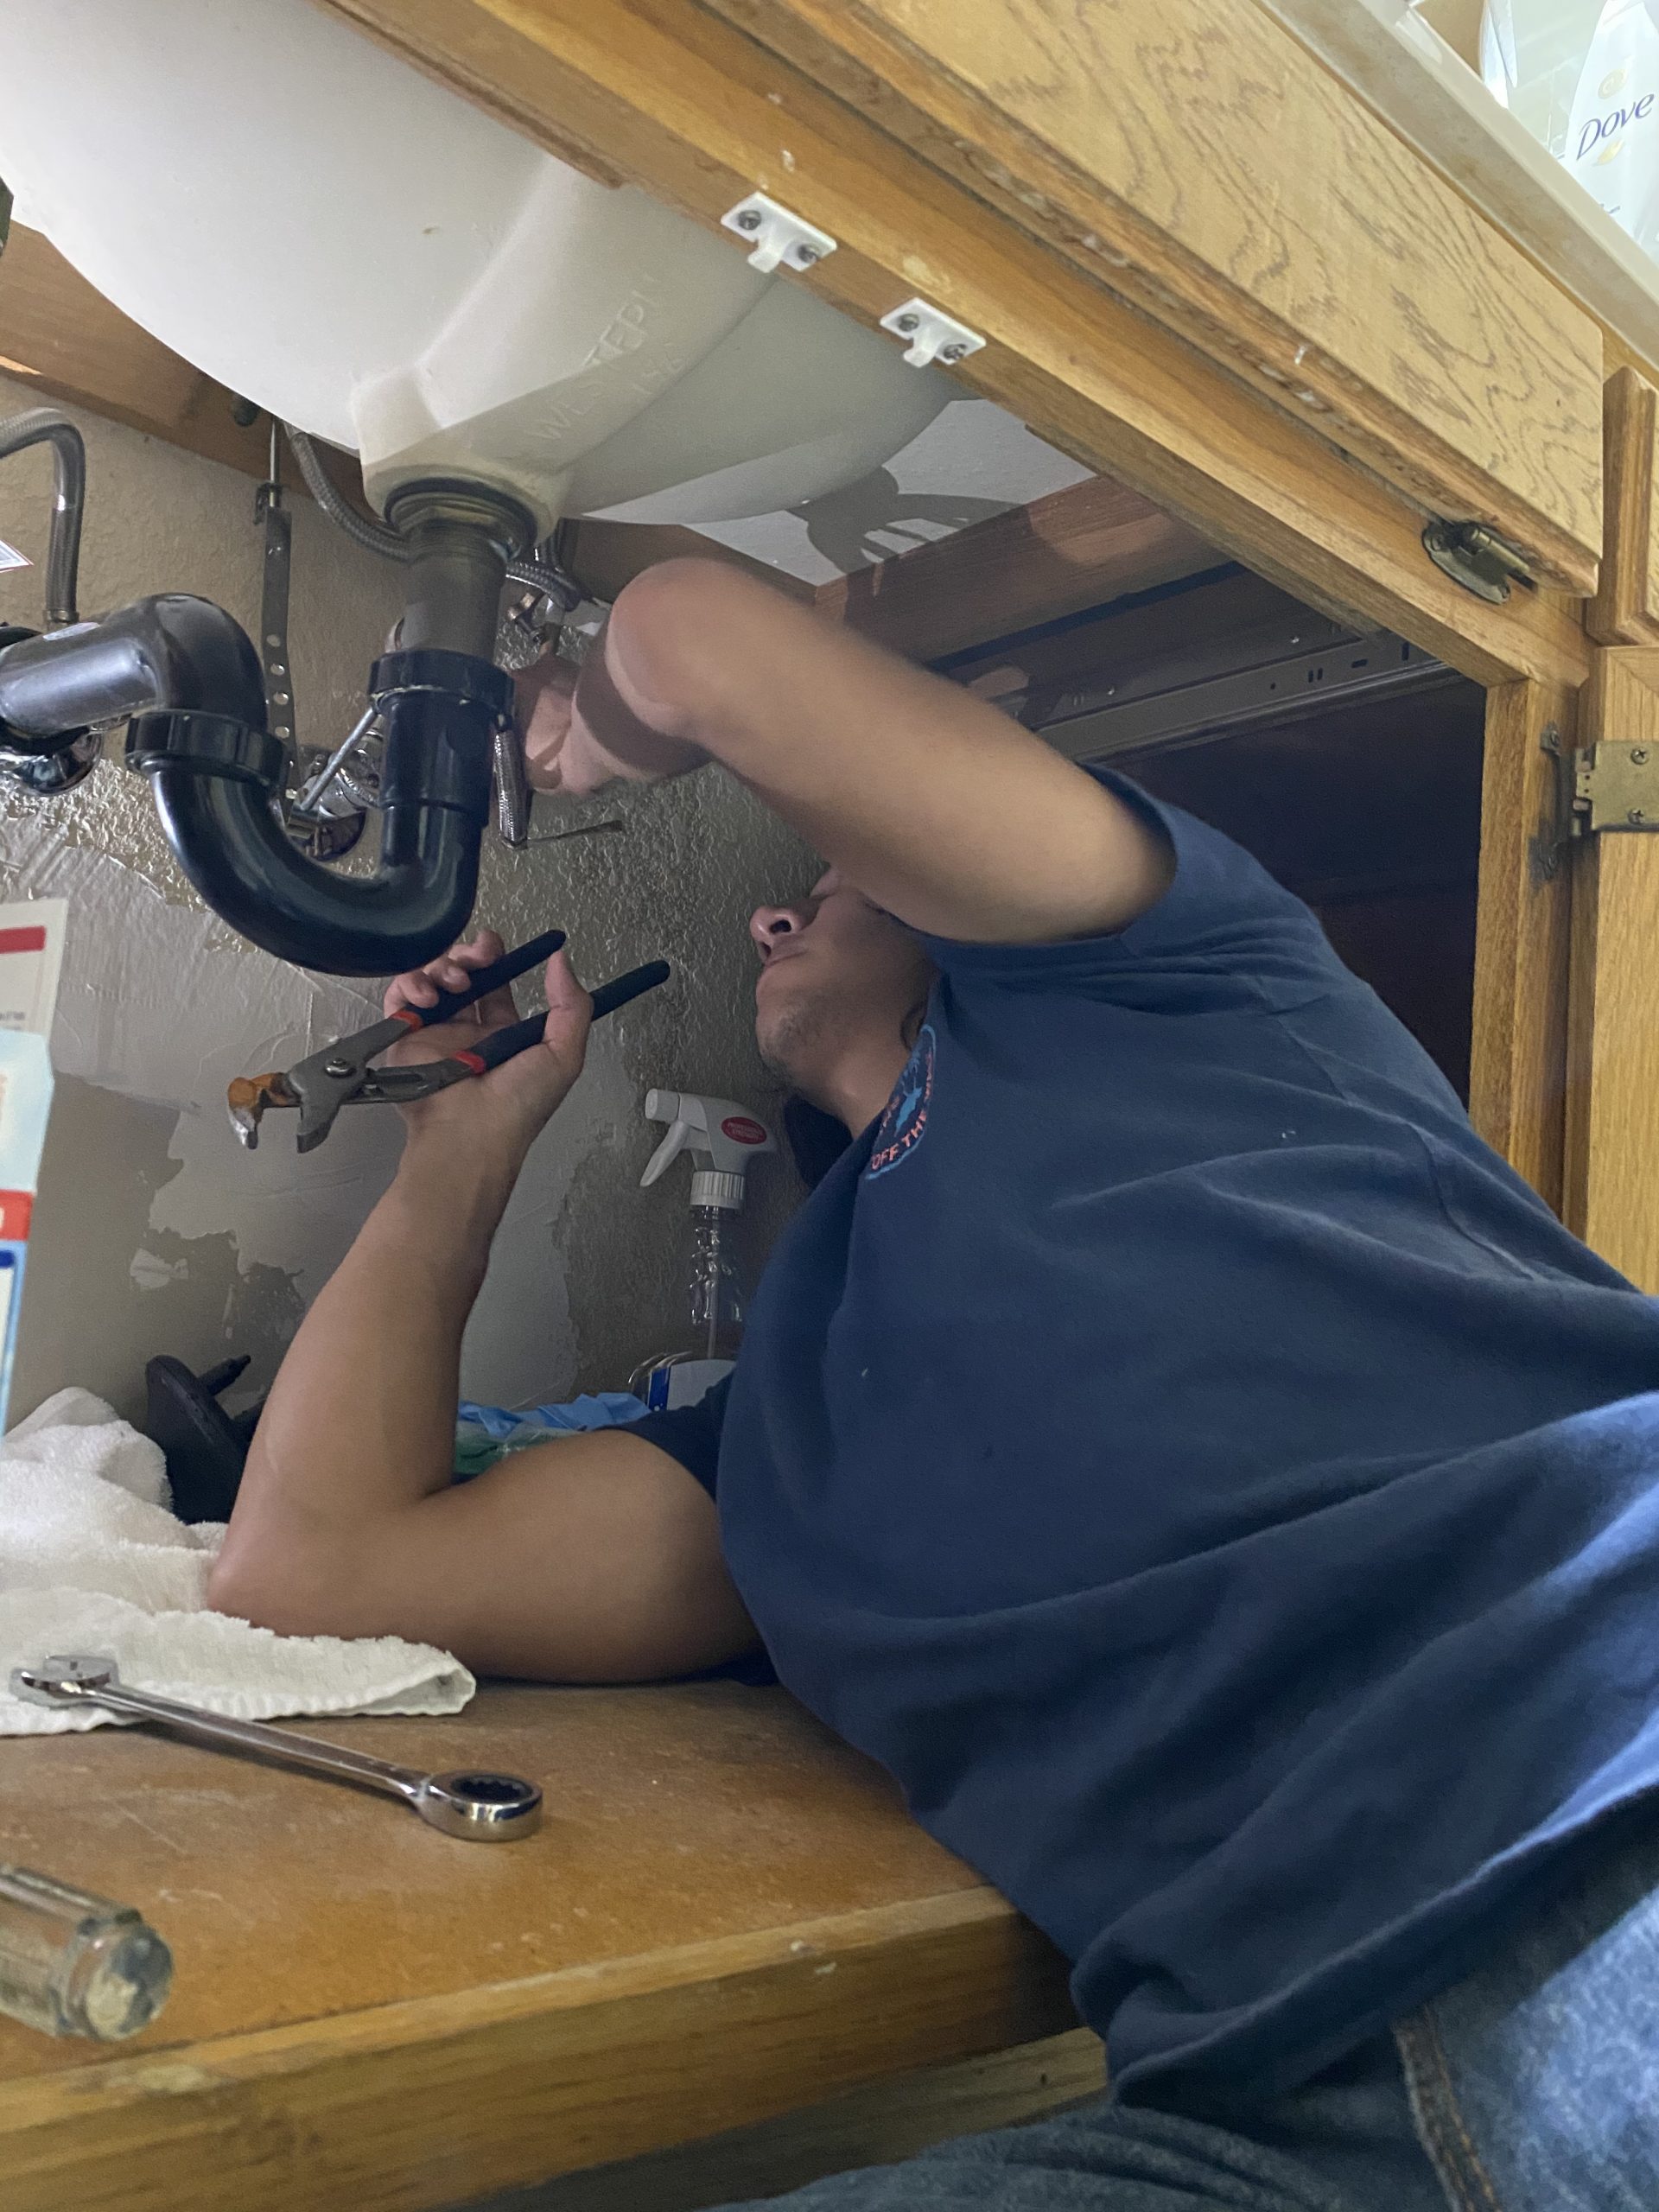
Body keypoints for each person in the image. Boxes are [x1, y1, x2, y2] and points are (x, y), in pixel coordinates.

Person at [209, 559, 1659, 2210]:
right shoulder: (792, 1403)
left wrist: (599, 714)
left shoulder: (1203, 988)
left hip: (1607, 1799)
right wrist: (458, 1160)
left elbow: (694, 637)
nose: (774, 910)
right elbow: (313, 1567)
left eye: (831, 874)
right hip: (1275, 2100)